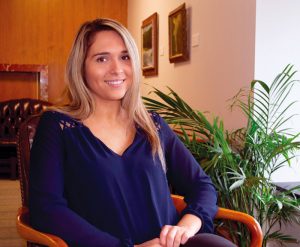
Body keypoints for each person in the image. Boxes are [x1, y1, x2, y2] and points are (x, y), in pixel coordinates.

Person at [29, 18, 235, 247]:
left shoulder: (152, 124)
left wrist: (187, 225)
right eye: (102, 58)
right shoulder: (58, 126)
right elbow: (45, 208)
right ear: (81, 66)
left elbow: (201, 185)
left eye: (125, 57)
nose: (117, 69)